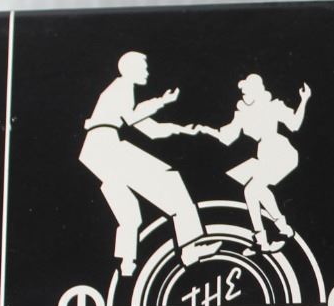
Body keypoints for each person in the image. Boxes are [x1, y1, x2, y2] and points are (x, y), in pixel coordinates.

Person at [78, 51, 218, 276]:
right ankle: (190, 248)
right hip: (107, 146)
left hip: (95, 151)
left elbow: (151, 130)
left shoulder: (118, 95)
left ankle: (127, 267)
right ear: (128, 69)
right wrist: (162, 101)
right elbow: (132, 117)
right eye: (143, 68)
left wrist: (183, 130)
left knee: (130, 215)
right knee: (170, 182)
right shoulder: (122, 86)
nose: (147, 72)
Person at [203, 73, 312, 253]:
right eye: (243, 92)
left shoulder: (272, 106)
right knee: (253, 189)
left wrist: (304, 99)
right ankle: (281, 230)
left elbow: (294, 124)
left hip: (281, 153)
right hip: (263, 156)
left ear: (257, 91)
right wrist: (206, 130)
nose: (244, 94)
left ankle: (263, 238)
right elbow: (227, 137)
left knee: (252, 190)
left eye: (247, 90)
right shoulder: (242, 113)